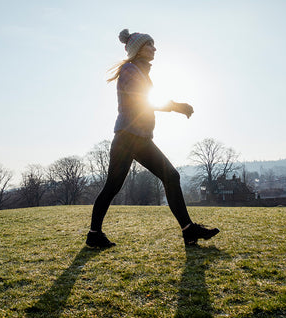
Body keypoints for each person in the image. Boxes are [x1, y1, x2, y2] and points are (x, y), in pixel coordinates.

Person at [86, 29, 219, 248]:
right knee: (112, 187)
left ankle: (188, 230)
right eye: (150, 45)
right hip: (128, 138)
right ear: (139, 49)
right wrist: (176, 106)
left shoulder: (140, 71)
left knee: (172, 177)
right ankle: (94, 234)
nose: (154, 48)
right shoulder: (130, 70)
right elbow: (144, 101)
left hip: (140, 138)